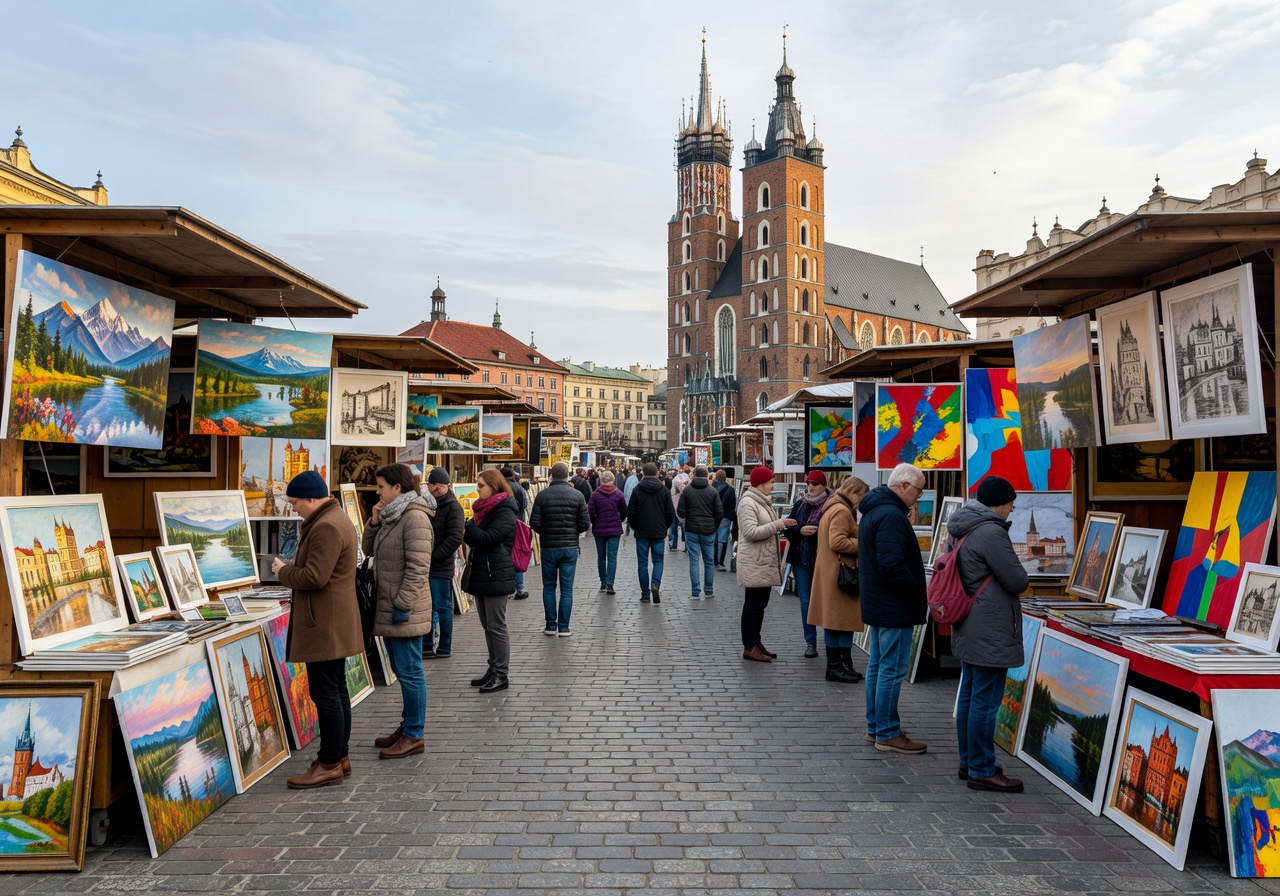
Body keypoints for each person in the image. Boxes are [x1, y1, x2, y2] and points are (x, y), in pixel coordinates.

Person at [271, 470, 363, 788]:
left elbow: (314, 577)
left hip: (324, 622)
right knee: (335, 690)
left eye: (296, 503)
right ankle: (340, 757)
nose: (294, 508)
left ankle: (328, 763)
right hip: (332, 619)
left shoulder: (325, 526)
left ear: (311, 499)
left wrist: (284, 571)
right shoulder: (335, 518)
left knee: (326, 693)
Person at [948, 476, 1029, 793]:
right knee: (985, 701)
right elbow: (1017, 579)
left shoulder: (963, 526)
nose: (1012, 510)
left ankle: (970, 761)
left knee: (969, 694)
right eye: (1011, 504)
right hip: (990, 626)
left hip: (971, 622)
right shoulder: (991, 531)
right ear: (1001, 503)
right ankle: (981, 768)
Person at [361, 464, 433, 759]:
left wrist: (402, 604)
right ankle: (407, 726)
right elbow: (368, 550)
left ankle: (414, 733)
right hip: (390, 604)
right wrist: (374, 522)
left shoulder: (414, 517)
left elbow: (418, 568)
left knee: (410, 671)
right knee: (404, 670)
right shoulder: (392, 515)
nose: (376, 491)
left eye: (380, 486)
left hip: (403, 607)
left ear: (397, 488)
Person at [858, 463, 930, 754]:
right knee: (890, 668)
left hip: (882, 601)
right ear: (902, 486)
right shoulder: (890, 515)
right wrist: (915, 584)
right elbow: (891, 565)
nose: (920, 496)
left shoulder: (878, 510)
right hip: (893, 603)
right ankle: (886, 732)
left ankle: (877, 727)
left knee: (879, 665)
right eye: (918, 490)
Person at [809, 476, 870, 684]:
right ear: (854, 492)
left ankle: (842, 666)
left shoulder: (833, 506)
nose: (860, 502)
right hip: (840, 573)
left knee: (838, 622)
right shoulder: (842, 510)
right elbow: (837, 541)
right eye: (861, 496)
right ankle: (836, 667)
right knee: (839, 622)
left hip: (832, 571)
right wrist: (863, 543)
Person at [463, 468, 519, 693]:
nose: (477, 489)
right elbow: (476, 539)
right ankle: (492, 668)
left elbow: (487, 539)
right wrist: (471, 529)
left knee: (497, 627)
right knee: (488, 627)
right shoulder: (484, 510)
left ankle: (501, 675)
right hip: (483, 572)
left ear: (494, 487)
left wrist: (469, 527)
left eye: (480, 485)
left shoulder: (504, 510)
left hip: (496, 573)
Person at [736, 466, 797, 662]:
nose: (773, 485)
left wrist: (781, 524)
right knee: (753, 605)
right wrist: (777, 525)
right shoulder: (748, 503)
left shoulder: (762, 501)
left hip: (762, 563)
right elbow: (750, 532)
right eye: (770, 482)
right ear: (760, 484)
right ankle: (750, 646)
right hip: (755, 562)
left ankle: (756, 642)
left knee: (760, 605)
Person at [530, 461, 590, 635]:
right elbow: (585, 523)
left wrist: (546, 532)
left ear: (551, 476)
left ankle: (550, 625)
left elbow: (534, 522)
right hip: (569, 546)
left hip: (548, 547)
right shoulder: (577, 495)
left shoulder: (542, 496)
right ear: (567, 476)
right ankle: (564, 627)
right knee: (566, 588)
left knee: (548, 586)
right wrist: (573, 531)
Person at [783, 470, 833, 658]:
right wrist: (800, 531)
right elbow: (788, 529)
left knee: (827, 601)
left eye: (815, 484)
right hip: (801, 560)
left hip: (824, 560)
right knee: (806, 602)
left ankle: (831, 642)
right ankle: (810, 642)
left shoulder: (831, 505)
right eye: (809, 483)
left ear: (824, 486)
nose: (811, 487)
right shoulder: (800, 504)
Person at [424, 467, 465, 659]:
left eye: (439, 487)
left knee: (442, 605)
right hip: (426, 564)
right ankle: (427, 645)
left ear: (447, 486)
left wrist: (435, 557)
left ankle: (444, 646)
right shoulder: (428, 504)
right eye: (433, 486)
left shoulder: (453, 506)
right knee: (428, 606)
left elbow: (455, 537)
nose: (435, 490)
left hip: (440, 565)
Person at [627, 462, 673, 603]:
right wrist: (665, 526)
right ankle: (655, 584)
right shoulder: (664, 490)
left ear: (643, 473)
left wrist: (636, 527)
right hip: (658, 531)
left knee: (642, 563)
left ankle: (645, 594)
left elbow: (631, 512)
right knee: (658, 560)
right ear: (657, 473)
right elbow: (670, 512)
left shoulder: (637, 490)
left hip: (642, 532)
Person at [677, 465, 723, 599]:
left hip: (692, 529)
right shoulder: (712, 491)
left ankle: (695, 592)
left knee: (694, 561)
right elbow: (719, 512)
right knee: (709, 561)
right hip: (708, 530)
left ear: (695, 474)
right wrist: (714, 526)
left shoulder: (687, 491)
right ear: (706, 475)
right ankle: (708, 591)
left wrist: (688, 518)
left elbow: (680, 510)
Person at [588, 470, 627, 595]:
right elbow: (624, 511)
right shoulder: (619, 494)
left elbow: (590, 513)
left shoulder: (595, 495)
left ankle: (603, 583)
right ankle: (610, 584)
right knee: (612, 557)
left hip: (599, 530)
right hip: (614, 530)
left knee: (601, 557)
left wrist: (595, 521)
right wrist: (618, 520)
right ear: (613, 480)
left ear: (601, 480)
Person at [501, 465, 531, 600]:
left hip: (501, 526)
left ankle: (507, 588)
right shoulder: (519, 487)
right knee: (517, 556)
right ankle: (520, 588)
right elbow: (525, 504)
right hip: (517, 525)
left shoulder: (499, 487)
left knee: (504, 556)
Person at [712, 470, 736, 570]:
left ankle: (714, 561)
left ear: (716, 478)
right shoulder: (730, 490)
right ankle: (720, 562)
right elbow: (733, 505)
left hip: (713, 517)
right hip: (725, 517)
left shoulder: (711, 488)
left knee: (713, 539)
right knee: (722, 539)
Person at [669, 465, 690, 550]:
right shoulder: (688, 480)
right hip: (684, 506)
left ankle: (673, 544)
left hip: (674, 504)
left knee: (673, 525)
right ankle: (686, 546)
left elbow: (672, 493)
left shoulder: (674, 480)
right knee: (685, 525)